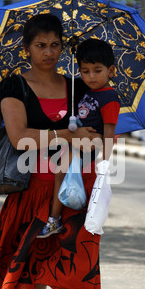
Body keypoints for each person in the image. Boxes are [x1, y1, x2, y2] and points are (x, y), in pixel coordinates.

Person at [0, 14, 103, 289]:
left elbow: (96, 137)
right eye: (40, 45)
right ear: (27, 48)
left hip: (76, 190)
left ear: (64, 46)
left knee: (75, 263)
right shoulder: (14, 86)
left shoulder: (80, 86)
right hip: (33, 187)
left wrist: (92, 136)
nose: (49, 52)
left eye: (55, 45)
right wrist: (67, 134)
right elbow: (20, 137)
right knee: (35, 261)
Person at [37, 38, 121, 238]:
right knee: (61, 174)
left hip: (88, 146)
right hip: (75, 143)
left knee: (61, 173)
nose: (91, 76)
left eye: (97, 70)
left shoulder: (109, 97)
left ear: (110, 71)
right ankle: (56, 218)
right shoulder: (89, 92)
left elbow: (110, 131)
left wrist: (105, 161)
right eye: (85, 71)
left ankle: (54, 220)